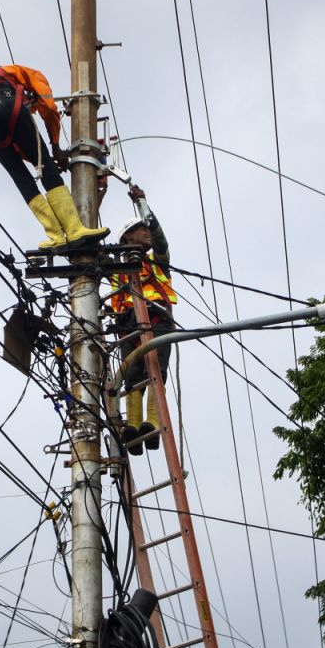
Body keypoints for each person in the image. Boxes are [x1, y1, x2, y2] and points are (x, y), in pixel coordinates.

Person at [0, 65, 108, 250]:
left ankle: (56, 236)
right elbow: (48, 108)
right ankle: (74, 230)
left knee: (21, 178)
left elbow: (15, 146)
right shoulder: (30, 74)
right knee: (46, 167)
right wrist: (55, 148)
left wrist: (34, 159)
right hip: (7, 102)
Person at [109, 185, 177, 454]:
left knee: (156, 369)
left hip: (157, 317)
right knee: (132, 374)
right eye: (141, 229)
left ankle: (152, 422)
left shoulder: (158, 262)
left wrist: (143, 206)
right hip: (127, 322)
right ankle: (134, 426)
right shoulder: (115, 264)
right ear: (127, 237)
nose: (147, 233)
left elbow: (161, 241)